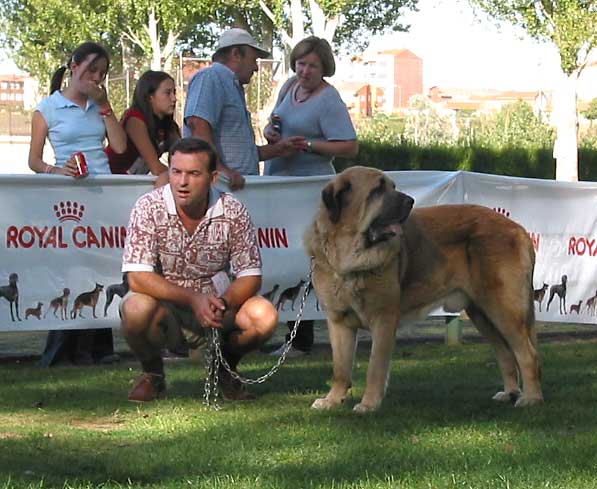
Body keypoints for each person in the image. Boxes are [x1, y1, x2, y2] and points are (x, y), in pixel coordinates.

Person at [120, 137, 278, 402]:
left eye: (193, 174)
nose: (182, 182)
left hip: (217, 308)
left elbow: (251, 276)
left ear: (212, 178)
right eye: (176, 172)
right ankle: (153, 374)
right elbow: (137, 277)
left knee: (264, 315)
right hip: (167, 309)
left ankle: (224, 369)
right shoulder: (148, 207)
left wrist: (223, 302)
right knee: (135, 308)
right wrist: (194, 299)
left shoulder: (234, 210)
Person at [31, 41, 126, 366]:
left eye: (101, 74)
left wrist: (106, 106)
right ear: (73, 67)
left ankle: (99, 348)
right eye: (90, 71)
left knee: (102, 267)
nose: (95, 78)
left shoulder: (99, 106)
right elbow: (34, 160)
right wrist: (58, 170)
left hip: (103, 192)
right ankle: (60, 352)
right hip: (68, 195)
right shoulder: (48, 108)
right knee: (70, 270)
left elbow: (119, 145)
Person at [264, 36, 358, 357]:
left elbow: (349, 145)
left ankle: (302, 338)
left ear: (324, 68)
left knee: (306, 259)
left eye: (312, 66)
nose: (304, 71)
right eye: (301, 63)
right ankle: (282, 331)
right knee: (281, 258)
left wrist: (309, 146)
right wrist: (270, 133)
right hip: (279, 182)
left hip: (310, 189)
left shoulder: (330, 100)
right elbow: (273, 121)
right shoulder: (289, 86)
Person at [182, 28, 306, 190]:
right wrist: (218, 169)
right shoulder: (211, 77)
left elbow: (240, 152)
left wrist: (277, 150)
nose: (255, 67)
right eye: (253, 59)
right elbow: (197, 124)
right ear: (236, 54)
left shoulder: (232, 86)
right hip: (220, 188)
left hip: (234, 187)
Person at [106, 70, 180, 175]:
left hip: (133, 181)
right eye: (167, 93)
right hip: (110, 179)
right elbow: (156, 168)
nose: (174, 99)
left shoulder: (169, 126)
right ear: (150, 97)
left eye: (174, 92)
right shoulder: (135, 119)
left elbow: (182, 158)